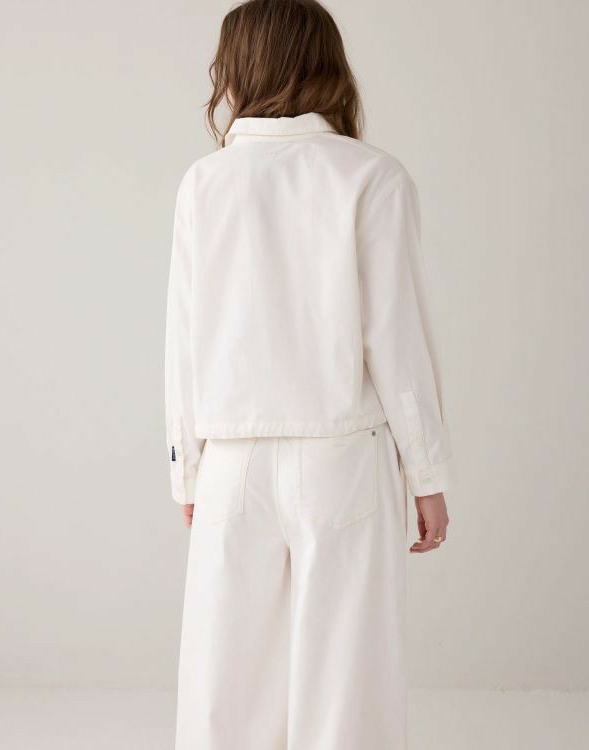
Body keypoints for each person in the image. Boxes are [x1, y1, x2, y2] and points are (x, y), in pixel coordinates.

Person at [165, 1, 451, 747]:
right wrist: (426, 474)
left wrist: (187, 469)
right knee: (347, 687)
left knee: (226, 691)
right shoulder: (373, 176)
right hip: (344, 460)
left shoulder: (205, 182)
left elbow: (184, 339)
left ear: (238, 69)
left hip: (233, 462)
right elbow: (396, 339)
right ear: (327, 64)